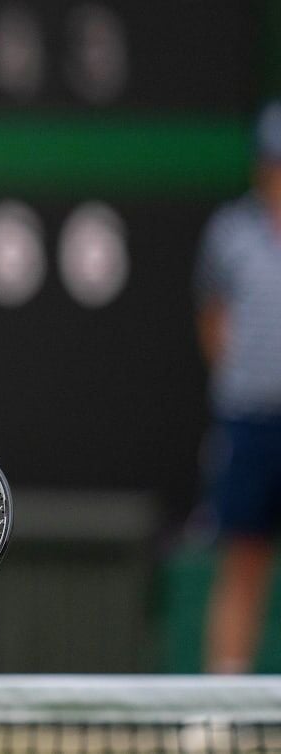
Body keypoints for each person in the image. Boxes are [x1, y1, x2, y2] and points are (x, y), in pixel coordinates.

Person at [194, 100, 281, 674]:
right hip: (250, 419)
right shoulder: (231, 232)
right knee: (242, 561)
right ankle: (220, 706)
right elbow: (214, 319)